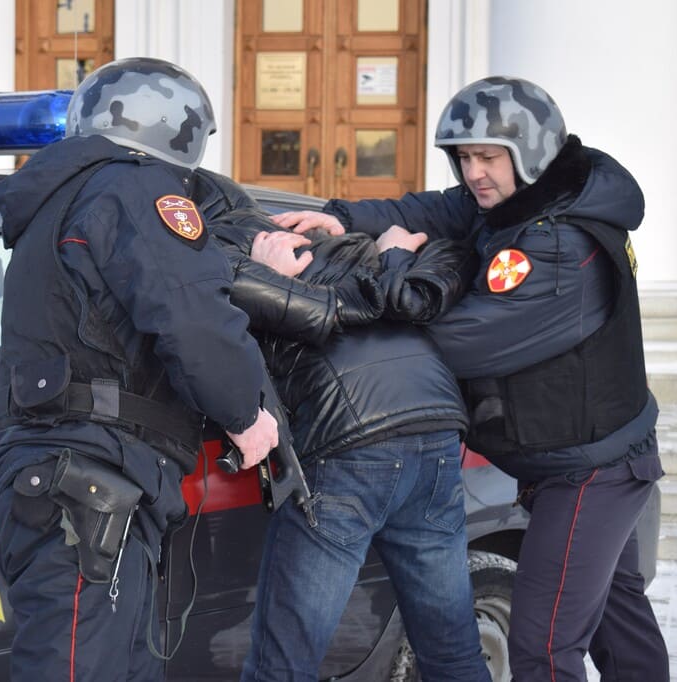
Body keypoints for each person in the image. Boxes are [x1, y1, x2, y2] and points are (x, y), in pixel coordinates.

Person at [272, 76, 669, 681]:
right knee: (622, 632)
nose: (473, 173)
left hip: (589, 470)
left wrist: (396, 260)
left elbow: (451, 344)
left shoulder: (558, 250)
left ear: (531, 154)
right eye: (463, 157)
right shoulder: (522, 202)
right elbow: (433, 208)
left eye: (487, 157)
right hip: (582, 453)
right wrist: (338, 218)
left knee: (543, 647)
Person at [0, 57, 279, 681]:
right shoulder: (136, 189)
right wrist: (246, 412)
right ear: (179, 132)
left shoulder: (59, 198)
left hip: (63, 476)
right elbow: (193, 316)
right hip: (90, 480)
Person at [190, 169, 492, 681]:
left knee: (283, 665)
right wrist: (393, 254)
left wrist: (272, 277)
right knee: (451, 652)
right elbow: (430, 278)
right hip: (436, 429)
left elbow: (217, 328)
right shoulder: (343, 238)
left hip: (348, 442)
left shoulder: (221, 253)